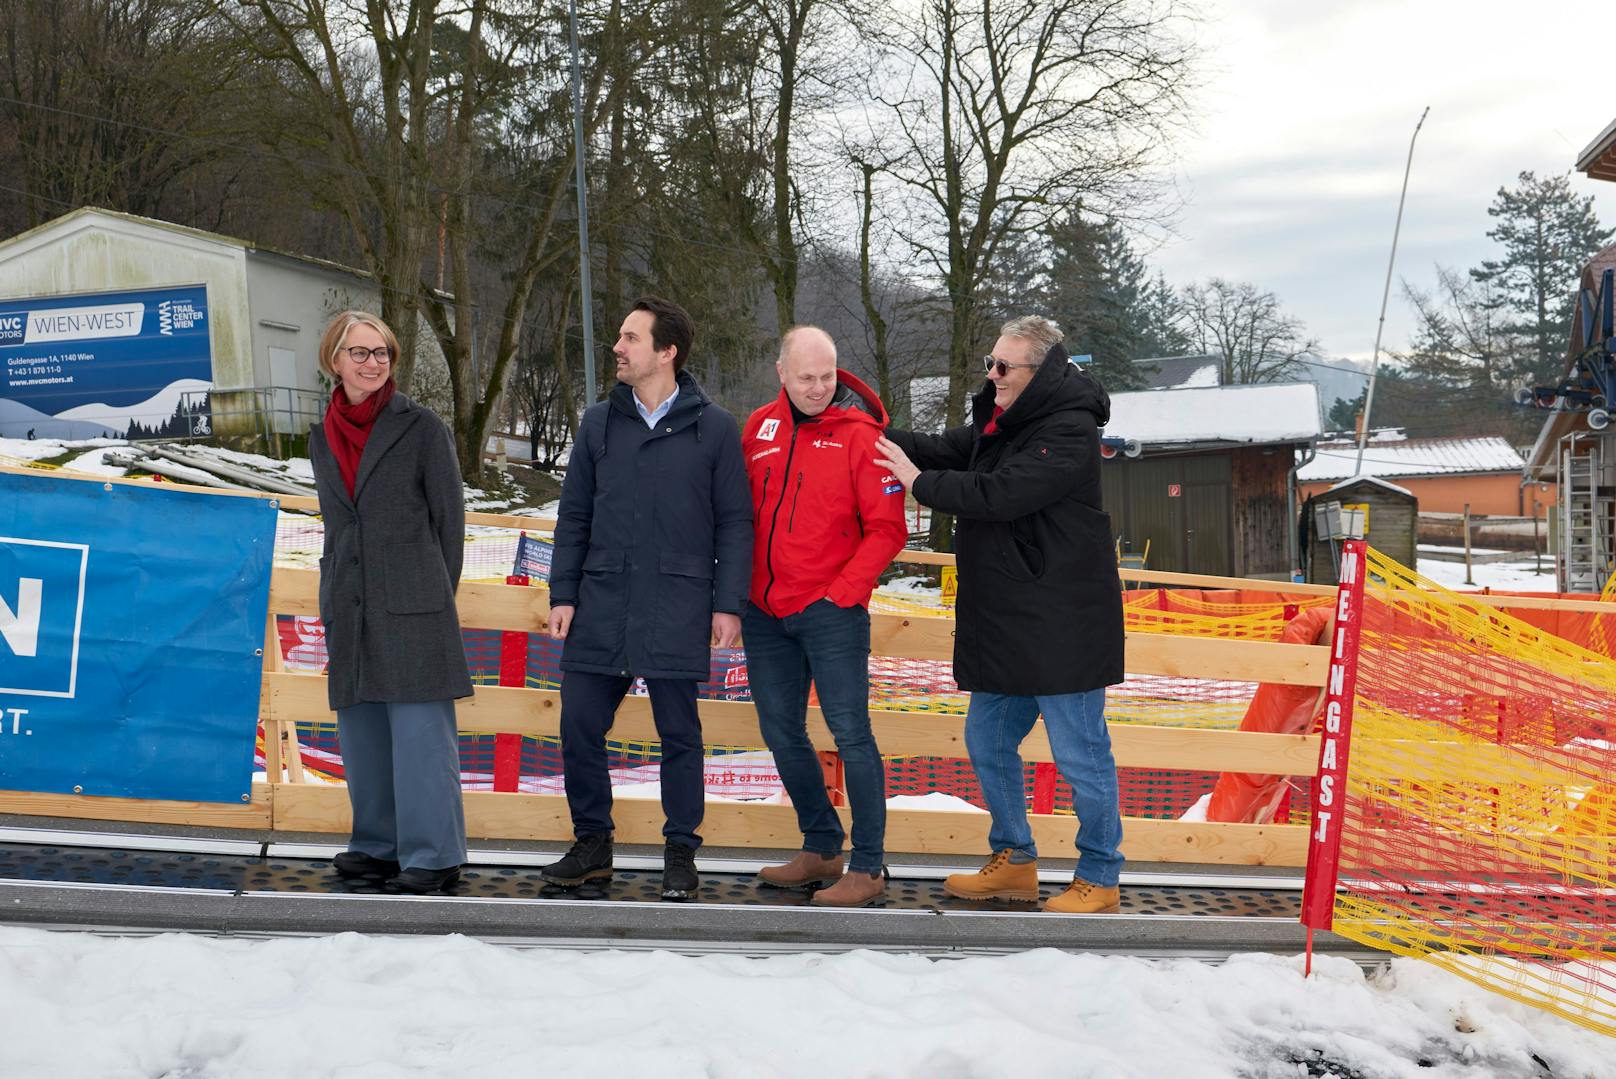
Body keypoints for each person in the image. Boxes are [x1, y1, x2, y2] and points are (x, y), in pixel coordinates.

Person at [874, 315, 1127, 914]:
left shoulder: (1067, 430)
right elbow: (945, 448)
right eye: (990, 363)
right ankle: (1015, 860)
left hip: (1063, 624)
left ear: (1039, 375)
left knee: (1080, 754)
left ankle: (1101, 873)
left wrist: (920, 484)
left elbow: (1001, 494)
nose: (991, 374)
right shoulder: (1001, 423)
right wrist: (872, 431)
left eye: (1003, 367)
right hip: (1012, 622)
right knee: (986, 739)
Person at [543, 296, 751, 900]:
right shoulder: (598, 423)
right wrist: (564, 591)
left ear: (667, 351)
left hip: (678, 603)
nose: (618, 347)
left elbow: (735, 522)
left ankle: (681, 852)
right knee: (580, 724)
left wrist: (728, 603)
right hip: (602, 599)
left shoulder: (712, 427)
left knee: (679, 734)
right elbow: (574, 514)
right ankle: (592, 845)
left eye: (631, 338)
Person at [740, 326, 908, 907]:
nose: (817, 388)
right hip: (764, 612)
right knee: (780, 730)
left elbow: (888, 528)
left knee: (851, 735)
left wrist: (843, 594)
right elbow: (739, 516)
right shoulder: (758, 429)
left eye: (827, 377)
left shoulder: (861, 435)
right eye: (805, 377)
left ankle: (868, 866)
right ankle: (821, 845)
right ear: (781, 373)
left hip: (830, 612)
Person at [308, 310, 472, 896]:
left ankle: (434, 854)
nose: (374, 362)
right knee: (364, 733)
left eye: (382, 353)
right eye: (361, 353)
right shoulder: (321, 432)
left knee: (422, 737)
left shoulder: (422, 427)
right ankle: (378, 845)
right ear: (336, 360)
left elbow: (449, 524)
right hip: (349, 600)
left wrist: (426, 592)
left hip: (414, 602)